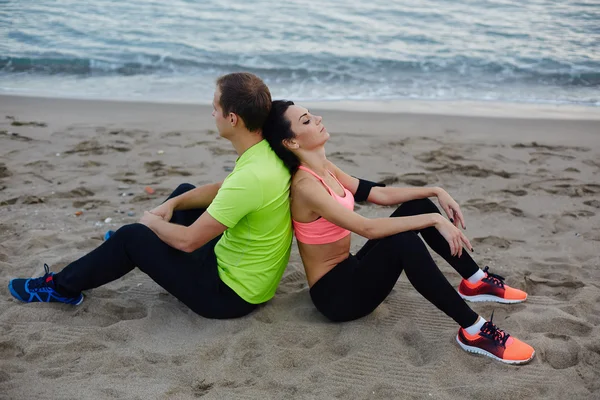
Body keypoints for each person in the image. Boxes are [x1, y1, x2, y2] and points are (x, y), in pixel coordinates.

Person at [262, 100, 535, 364]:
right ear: (291, 142)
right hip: (337, 297)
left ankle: (475, 281)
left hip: (350, 267)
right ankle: (474, 330)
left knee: (417, 205)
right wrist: (433, 221)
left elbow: (376, 193)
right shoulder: (305, 186)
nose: (318, 119)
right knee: (405, 241)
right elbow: (366, 227)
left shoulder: (323, 167)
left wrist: (435, 191)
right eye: (307, 120)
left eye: (311, 114)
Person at [8, 73, 293, 319]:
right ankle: (121, 252)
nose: (212, 114)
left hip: (229, 296)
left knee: (133, 236)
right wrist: (172, 203)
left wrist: (150, 223)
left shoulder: (251, 177)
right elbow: (224, 189)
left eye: (215, 108)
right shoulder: (266, 152)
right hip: (248, 275)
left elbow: (189, 240)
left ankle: (58, 288)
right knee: (184, 193)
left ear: (232, 118)